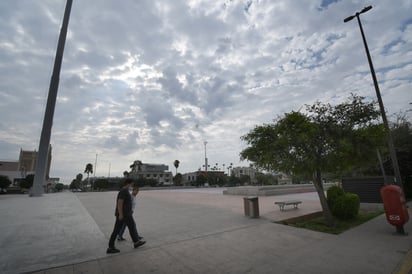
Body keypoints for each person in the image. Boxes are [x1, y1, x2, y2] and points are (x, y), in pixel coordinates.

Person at [107, 179, 146, 254]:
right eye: (132, 184)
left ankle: (136, 242)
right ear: (128, 184)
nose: (132, 186)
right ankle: (110, 247)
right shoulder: (124, 191)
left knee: (131, 227)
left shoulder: (125, 190)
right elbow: (120, 202)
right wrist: (121, 214)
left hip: (126, 214)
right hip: (124, 214)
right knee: (117, 230)